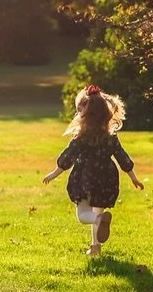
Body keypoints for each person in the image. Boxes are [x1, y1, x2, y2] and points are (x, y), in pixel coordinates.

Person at [43, 85, 144, 256]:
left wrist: (54, 174)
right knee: (99, 210)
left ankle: (98, 223)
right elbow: (122, 157)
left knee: (84, 215)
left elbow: (68, 157)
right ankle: (95, 248)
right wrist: (133, 177)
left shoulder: (81, 136)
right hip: (106, 178)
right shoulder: (110, 136)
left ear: (85, 113)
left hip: (85, 177)